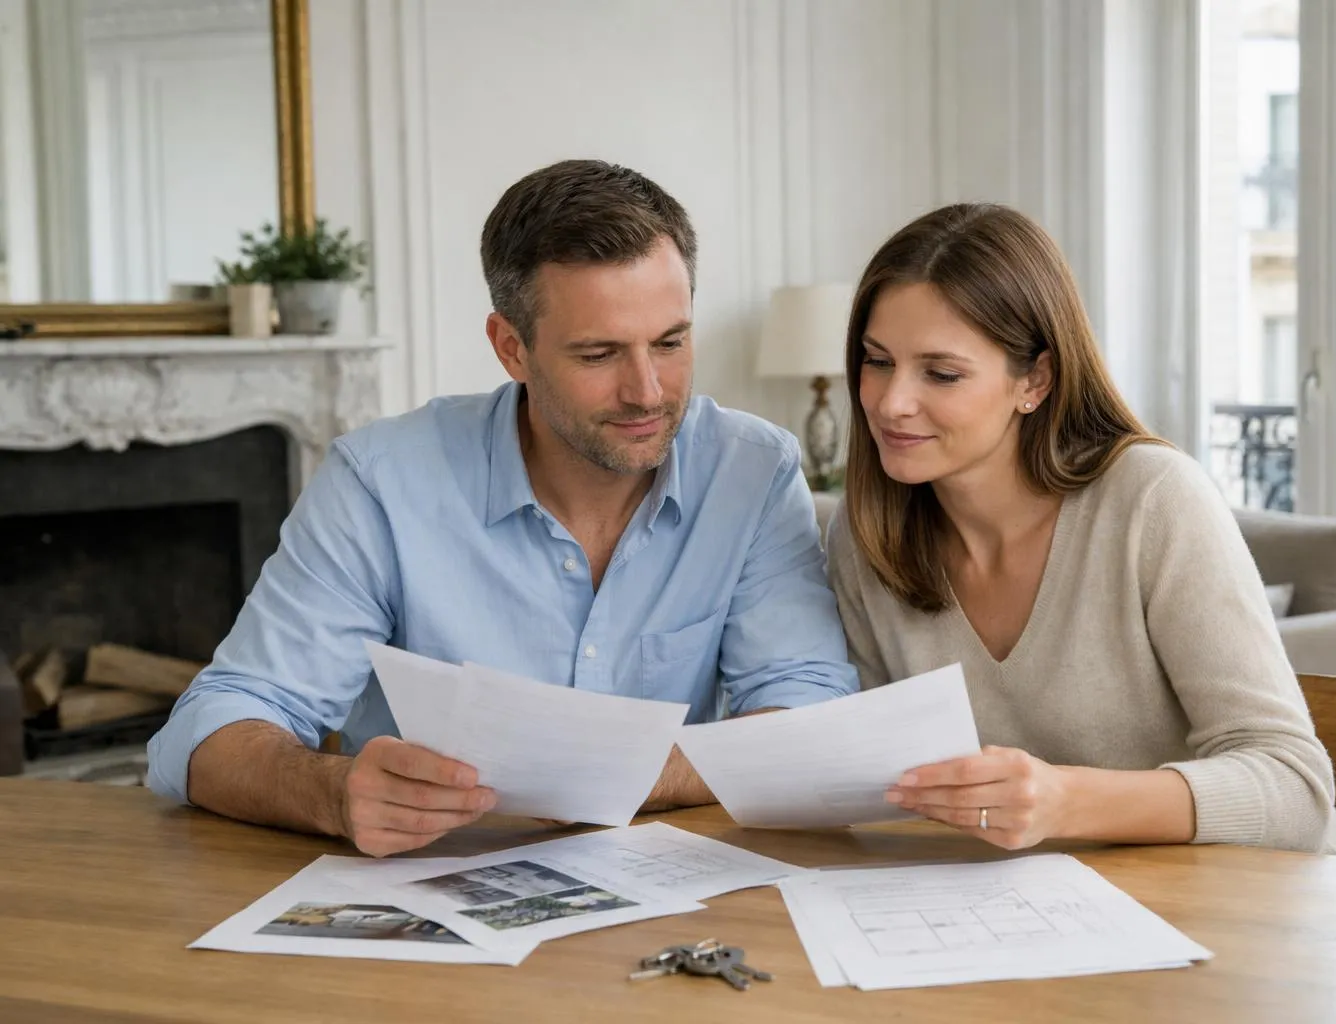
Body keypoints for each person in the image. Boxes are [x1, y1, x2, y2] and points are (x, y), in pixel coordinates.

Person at [148, 159, 857, 855]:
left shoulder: (753, 471)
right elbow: (209, 730)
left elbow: (809, 713)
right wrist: (332, 794)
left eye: (670, 343)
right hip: (436, 906)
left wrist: (626, 776)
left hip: (670, 903)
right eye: (598, 354)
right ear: (511, 347)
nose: (647, 391)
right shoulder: (381, 483)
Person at [827, 203, 1336, 857]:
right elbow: (887, 791)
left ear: (1036, 380)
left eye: (941, 373)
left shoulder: (1152, 500)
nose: (890, 402)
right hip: (1038, 914)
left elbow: (1294, 787)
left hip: (1257, 906)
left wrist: (1065, 802)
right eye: (877, 361)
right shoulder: (867, 540)